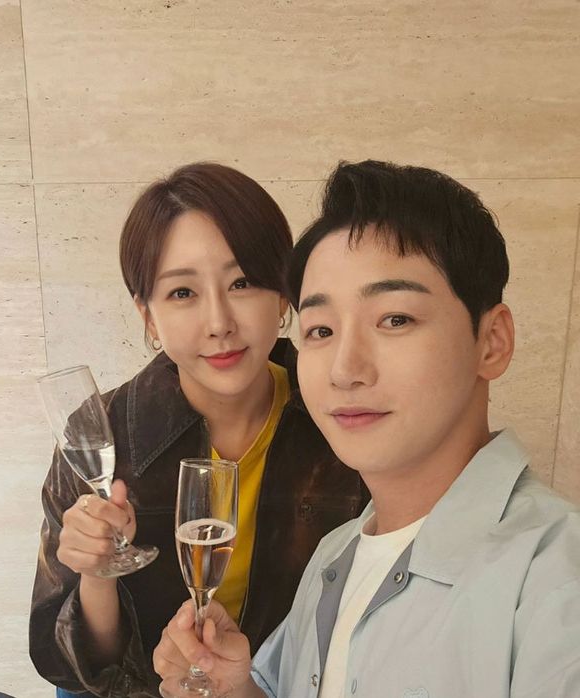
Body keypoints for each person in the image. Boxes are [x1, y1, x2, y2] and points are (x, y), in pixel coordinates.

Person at [153, 160, 580, 697]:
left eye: (394, 319)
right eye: (320, 330)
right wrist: (235, 688)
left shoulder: (556, 583)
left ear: (491, 342)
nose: (344, 369)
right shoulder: (336, 554)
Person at [29, 162, 367, 698]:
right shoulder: (102, 435)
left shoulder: (343, 419)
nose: (219, 323)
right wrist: (97, 572)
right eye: (183, 293)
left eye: (242, 283)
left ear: (284, 294)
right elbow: (81, 669)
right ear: (147, 314)